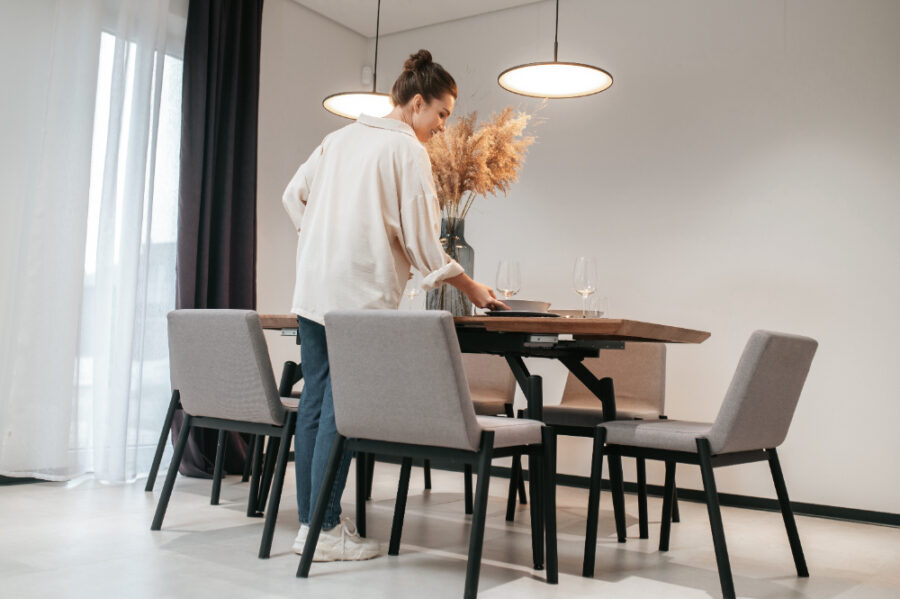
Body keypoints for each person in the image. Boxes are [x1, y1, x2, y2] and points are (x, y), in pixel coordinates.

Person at [282, 49, 507, 562]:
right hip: (356, 299)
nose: (444, 127)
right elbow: (425, 239)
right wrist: (470, 287)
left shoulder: (336, 140)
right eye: (443, 114)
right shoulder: (407, 151)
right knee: (343, 411)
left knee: (316, 405)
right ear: (417, 104)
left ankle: (311, 529)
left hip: (313, 288)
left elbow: (292, 197)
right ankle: (326, 530)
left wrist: (321, 238)